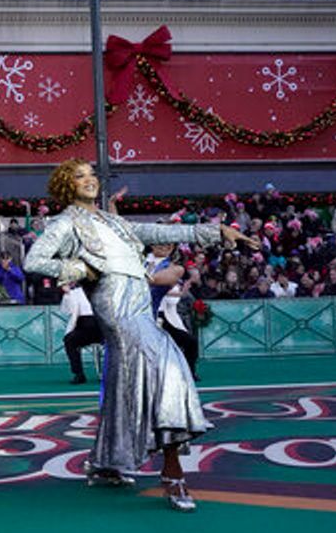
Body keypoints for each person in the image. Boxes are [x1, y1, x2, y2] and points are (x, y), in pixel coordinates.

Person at [24, 159, 257, 512]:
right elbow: (34, 261)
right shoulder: (65, 223)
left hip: (138, 302)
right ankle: (172, 471)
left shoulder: (113, 221)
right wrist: (79, 268)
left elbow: (161, 233)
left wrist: (218, 231)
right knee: (169, 365)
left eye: (91, 174)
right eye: (79, 176)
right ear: (66, 185)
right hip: (114, 304)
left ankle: (107, 461)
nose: (89, 180)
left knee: (123, 382)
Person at [147, 242, 201, 382]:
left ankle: (189, 371)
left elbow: (165, 285)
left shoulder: (173, 268)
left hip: (160, 315)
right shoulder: (141, 261)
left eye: (168, 245)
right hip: (139, 315)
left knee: (190, 341)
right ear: (152, 246)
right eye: (159, 244)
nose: (164, 247)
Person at [60, 282, 102, 385]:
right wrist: (68, 294)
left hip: (104, 325)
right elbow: (66, 311)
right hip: (85, 325)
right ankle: (78, 374)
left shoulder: (104, 288)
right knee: (69, 340)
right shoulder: (75, 293)